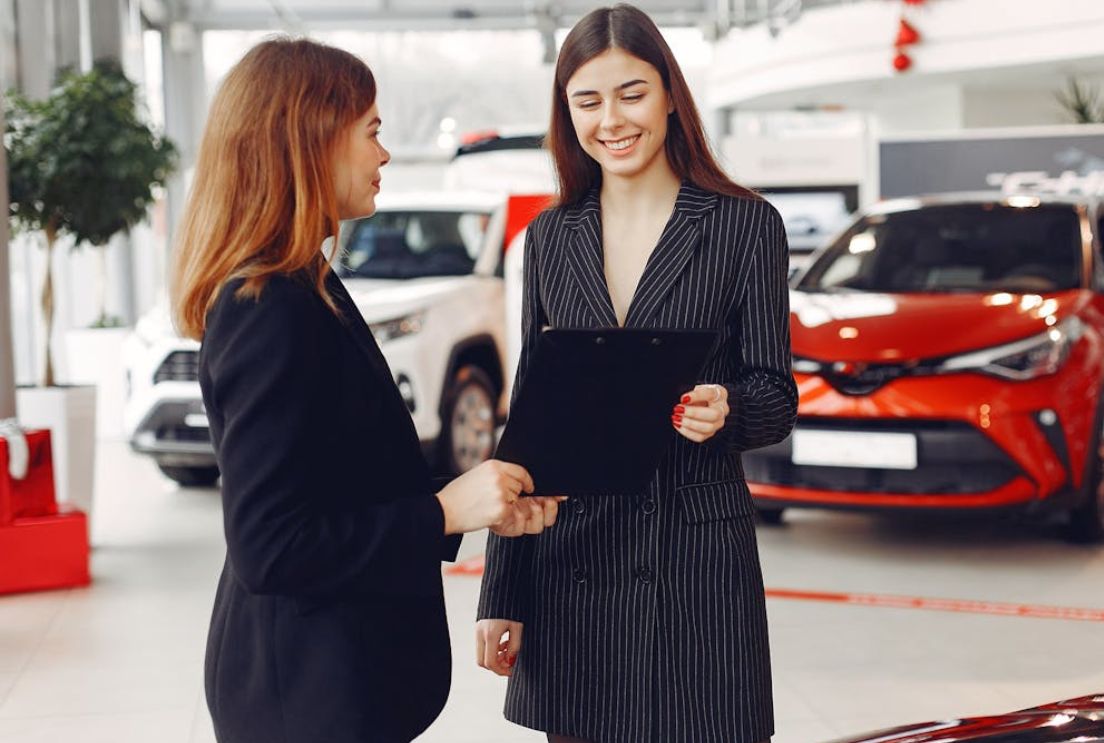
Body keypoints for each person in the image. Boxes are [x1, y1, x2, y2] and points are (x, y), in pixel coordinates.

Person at [170, 38, 562, 743]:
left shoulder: (305, 283)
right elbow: (272, 545)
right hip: (305, 696)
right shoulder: (268, 305)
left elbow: (338, 478)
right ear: (308, 138)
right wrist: (442, 511)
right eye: (372, 132)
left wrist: (474, 502)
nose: (384, 154)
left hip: (335, 680)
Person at [475, 5, 798, 743]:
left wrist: (730, 408)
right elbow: (531, 419)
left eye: (632, 93)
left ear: (670, 96)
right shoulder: (551, 237)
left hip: (694, 564)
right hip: (574, 559)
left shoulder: (743, 225)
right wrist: (502, 589)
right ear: (567, 113)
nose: (611, 120)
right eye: (587, 101)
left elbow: (777, 393)